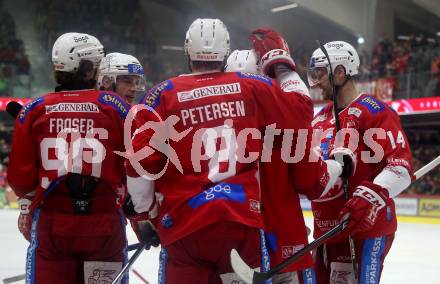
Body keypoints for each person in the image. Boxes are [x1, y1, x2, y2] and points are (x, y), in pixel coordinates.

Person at [125, 18, 350, 284]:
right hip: (240, 224)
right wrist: (281, 63)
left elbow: (140, 164)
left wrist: (146, 214)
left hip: (184, 228)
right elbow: (301, 109)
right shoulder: (250, 86)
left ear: (187, 51)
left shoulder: (161, 94)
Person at [7, 32, 131, 284]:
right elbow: (135, 167)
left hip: (53, 225)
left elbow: (20, 180)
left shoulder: (34, 109)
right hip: (104, 224)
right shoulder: (115, 106)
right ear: (87, 70)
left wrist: (26, 208)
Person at [308, 41, 414, 284]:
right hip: (326, 231)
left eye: (321, 73)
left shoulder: (375, 111)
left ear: (340, 72)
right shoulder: (319, 118)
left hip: (364, 229)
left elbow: (400, 167)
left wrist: (368, 197)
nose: (317, 81)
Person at [225, 34, 316, 283]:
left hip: (232, 237)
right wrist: (281, 64)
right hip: (284, 238)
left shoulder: (211, 127)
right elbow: (311, 180)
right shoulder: (287, 128)